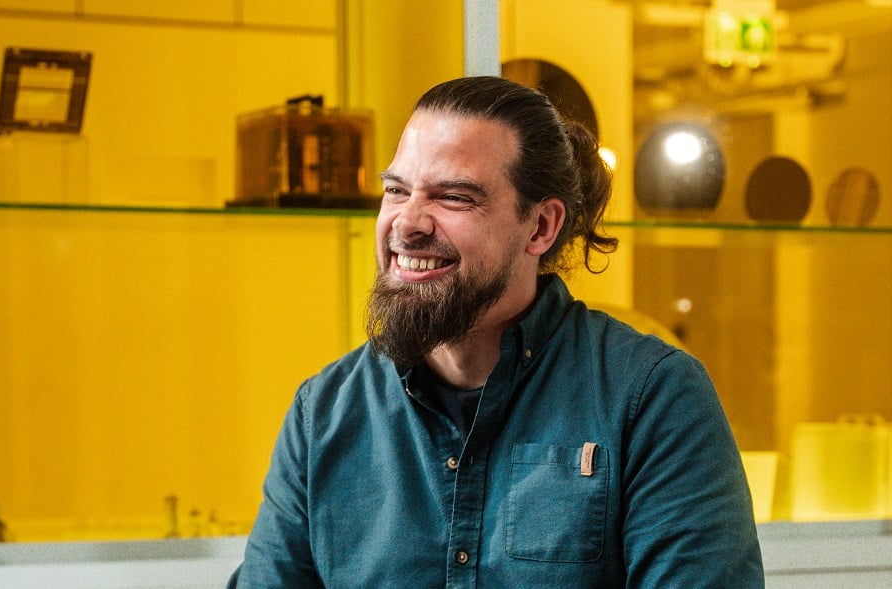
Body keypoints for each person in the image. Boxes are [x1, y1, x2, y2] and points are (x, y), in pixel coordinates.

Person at [228, 76, 764, 588]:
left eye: (453, 197)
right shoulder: (323, 414)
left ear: (541, 226)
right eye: (396, 190)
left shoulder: (652, 397)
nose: (407, 223)